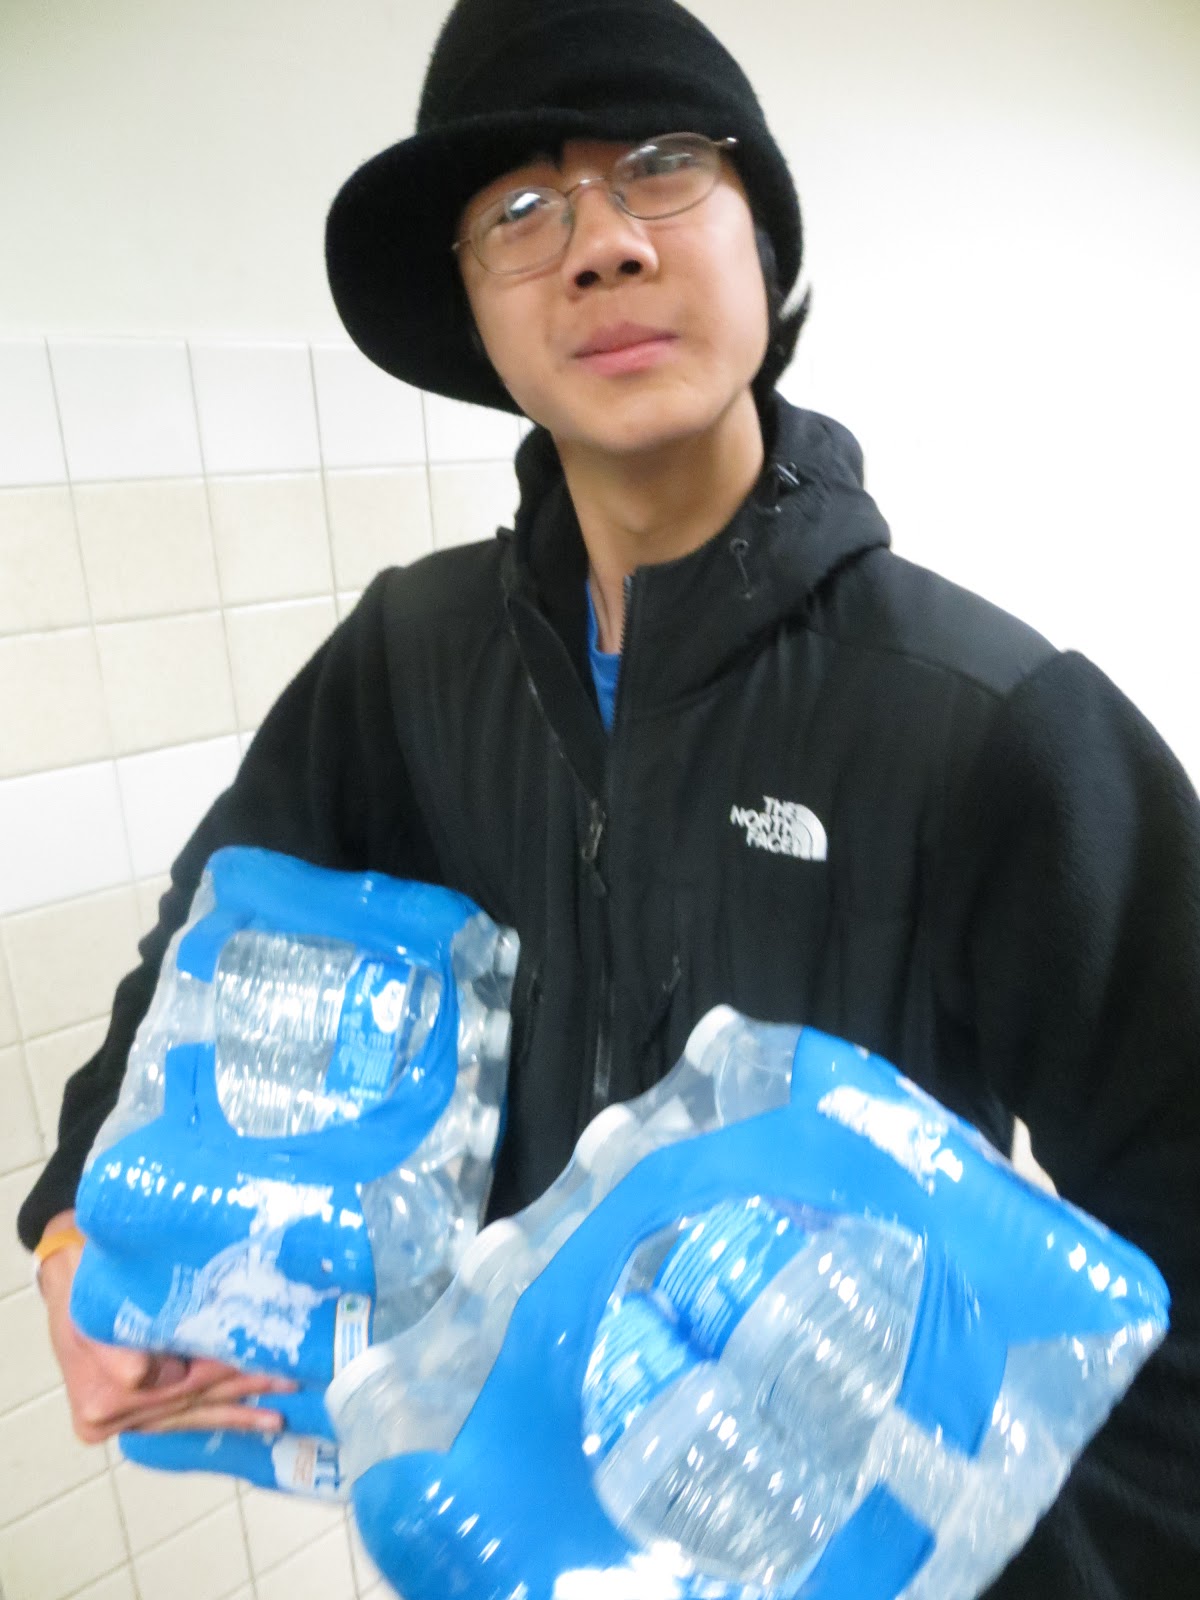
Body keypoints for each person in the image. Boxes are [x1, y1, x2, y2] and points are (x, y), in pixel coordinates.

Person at [18, 0, 1200, 1592]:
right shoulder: (412, 657)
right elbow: (207, 944)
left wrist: (994, 1568)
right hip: (508, 1539)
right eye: (522, 209)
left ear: (762, 241)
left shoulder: (990, 722)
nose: (601, 245)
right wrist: (81, 1228)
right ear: (475, 311)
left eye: (661, 165)